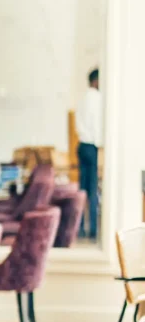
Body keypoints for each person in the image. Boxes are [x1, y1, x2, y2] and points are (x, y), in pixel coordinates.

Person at [75, 68, 102, 239]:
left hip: (81, 146)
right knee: (93, 190)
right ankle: (93, 229)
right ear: (96, 80)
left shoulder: (83, 98)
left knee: (82, 190)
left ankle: (78, 227)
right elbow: (97, 124)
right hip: (92, 146)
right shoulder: (97, 99)